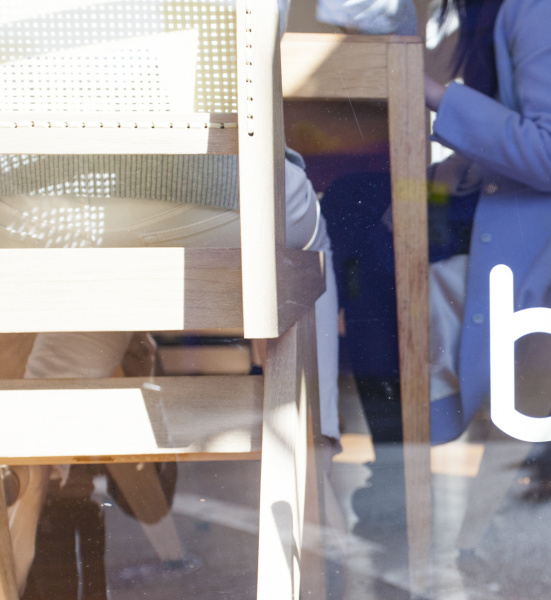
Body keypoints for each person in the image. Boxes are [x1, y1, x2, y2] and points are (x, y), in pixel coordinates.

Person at [0, 0, 339, 594]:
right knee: (299, 230)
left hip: (35, 210)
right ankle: (314, 480)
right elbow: (255, 46)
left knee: (105, 249)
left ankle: (31, 489)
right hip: (198, 197)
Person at [325, 0, 551, 494]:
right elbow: (512, 143)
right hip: (528, 201)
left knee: (372, 248)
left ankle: (391, 470)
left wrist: (430, 92)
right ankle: (389, 463)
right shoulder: (520, 10)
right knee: (354, 199)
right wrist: (421, 185)